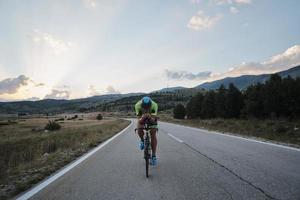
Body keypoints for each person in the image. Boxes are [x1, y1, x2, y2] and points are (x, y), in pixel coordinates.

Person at [135, 96, 158, 166]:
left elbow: (153, 120)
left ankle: (153, 156)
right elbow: (139, 119)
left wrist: (149, 117)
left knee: (153, 133)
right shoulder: (137, 105)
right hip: (142, 117)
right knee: (139, 128)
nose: (146, 109)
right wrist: (143, 118)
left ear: (150, 106)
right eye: (144, 108)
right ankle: (142, 140)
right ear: (141, 106)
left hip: (151, 117)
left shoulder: (154, 105)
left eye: (147, 108)